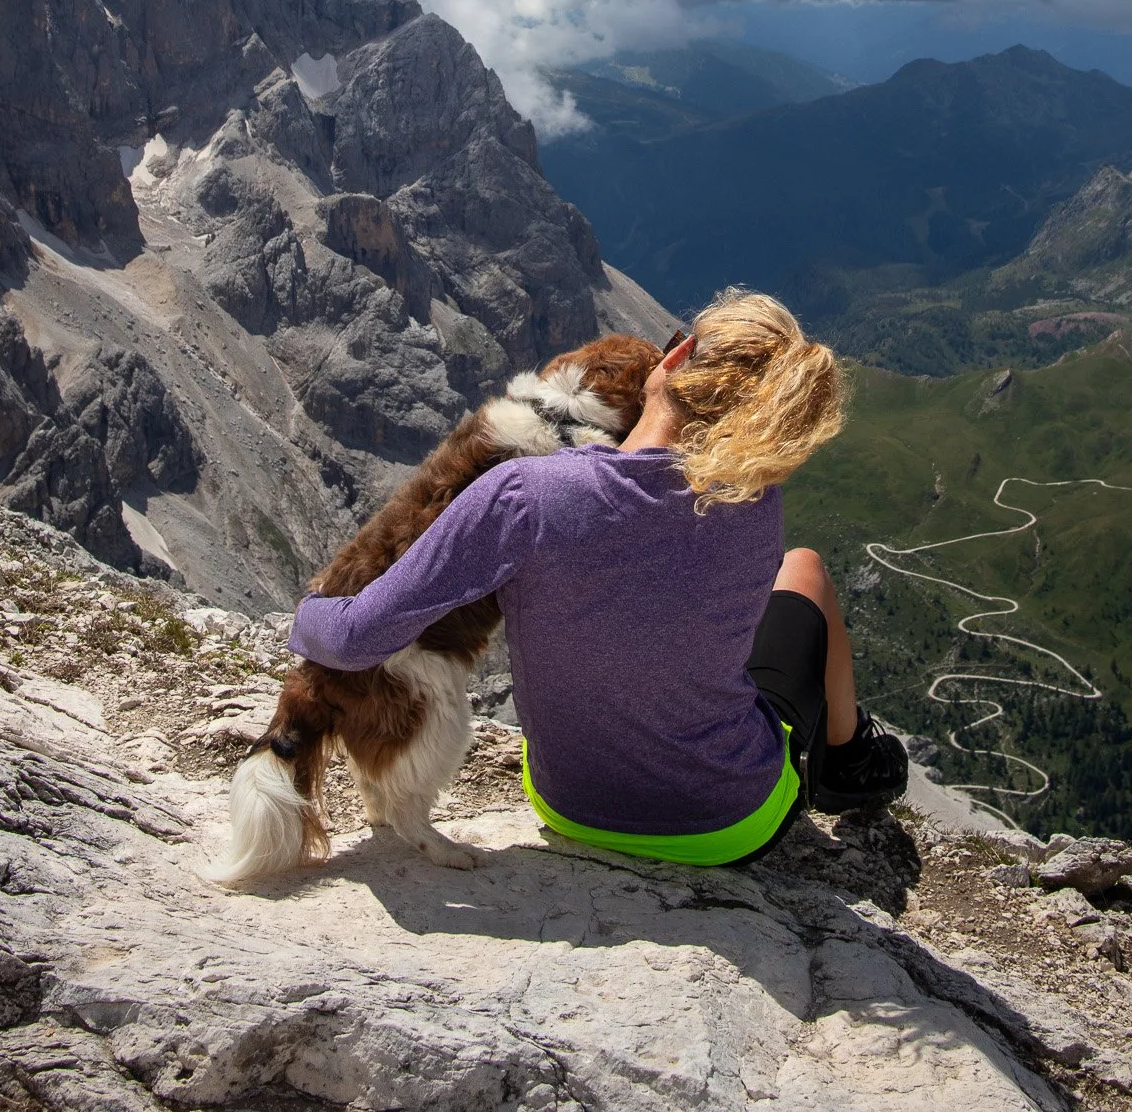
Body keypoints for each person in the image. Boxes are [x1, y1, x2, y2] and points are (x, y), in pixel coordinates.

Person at [288, 289, 907, 865]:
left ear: (680, 356)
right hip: (729, 826)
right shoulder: (754, 499)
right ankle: (850, 764)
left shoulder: (525, 493)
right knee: (804, 571)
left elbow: (354, 638)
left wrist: (308, 609)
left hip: (572, 807)